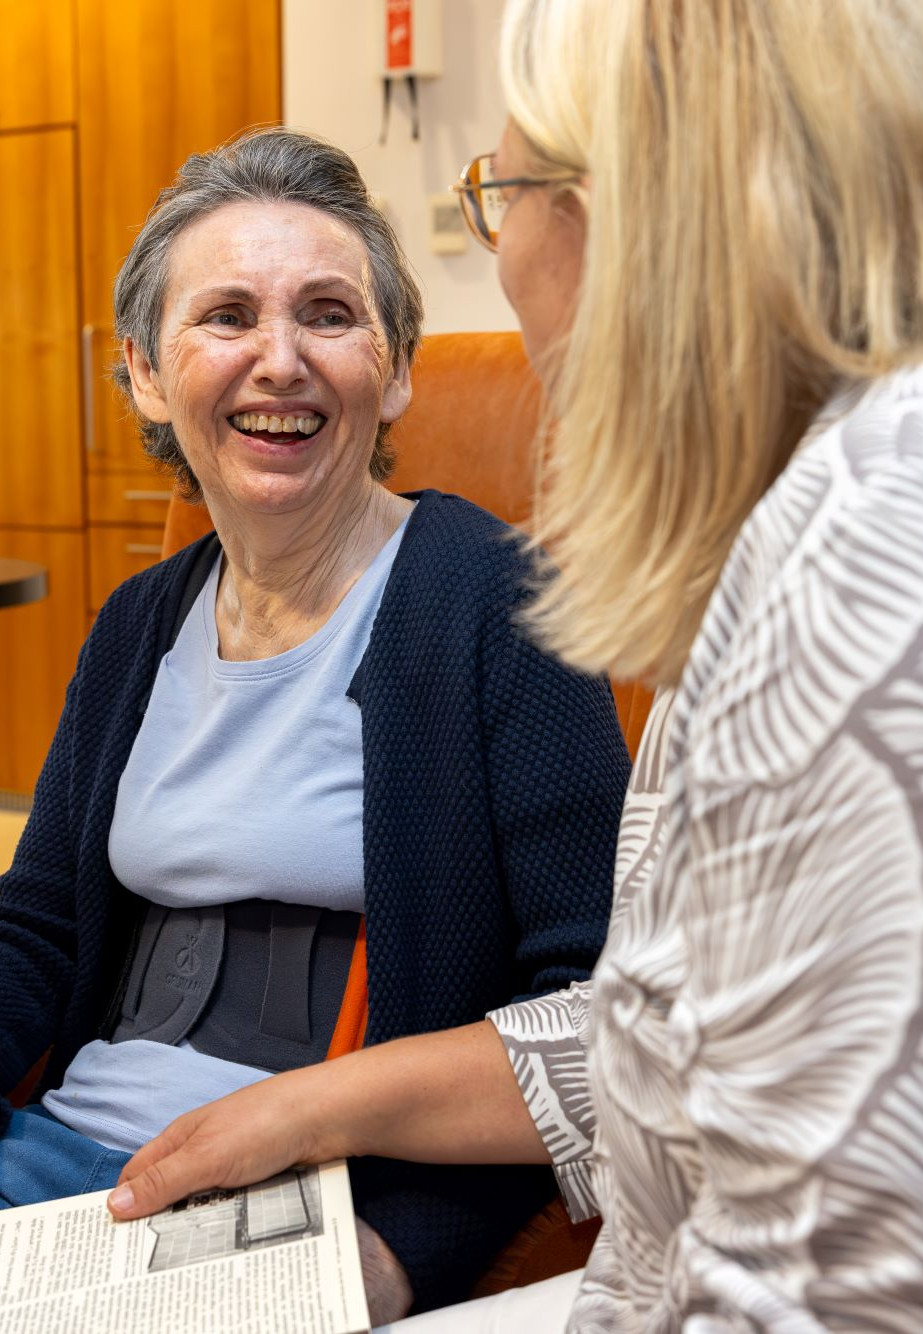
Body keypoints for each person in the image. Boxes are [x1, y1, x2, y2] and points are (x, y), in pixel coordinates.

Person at [107, 0, 923, 1328]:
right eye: (223, 316)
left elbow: (848, 1280)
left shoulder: (889, 546)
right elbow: (660, 1038)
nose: (505, 246)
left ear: (655, 213)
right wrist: (303, 1102)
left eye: (505, 191)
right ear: (144, 373)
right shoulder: (830, 516)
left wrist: (380, 1217)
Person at [0, 128, 634, 1323]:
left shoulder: (503, 605)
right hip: (69, 1172)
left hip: (305, 1207)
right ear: (144, 370)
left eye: (329, 315)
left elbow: (595, 1025)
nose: (277, 360)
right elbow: (36, 925)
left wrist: (394, 1253)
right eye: (226, 315)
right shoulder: (139, 621)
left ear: (394, 371)